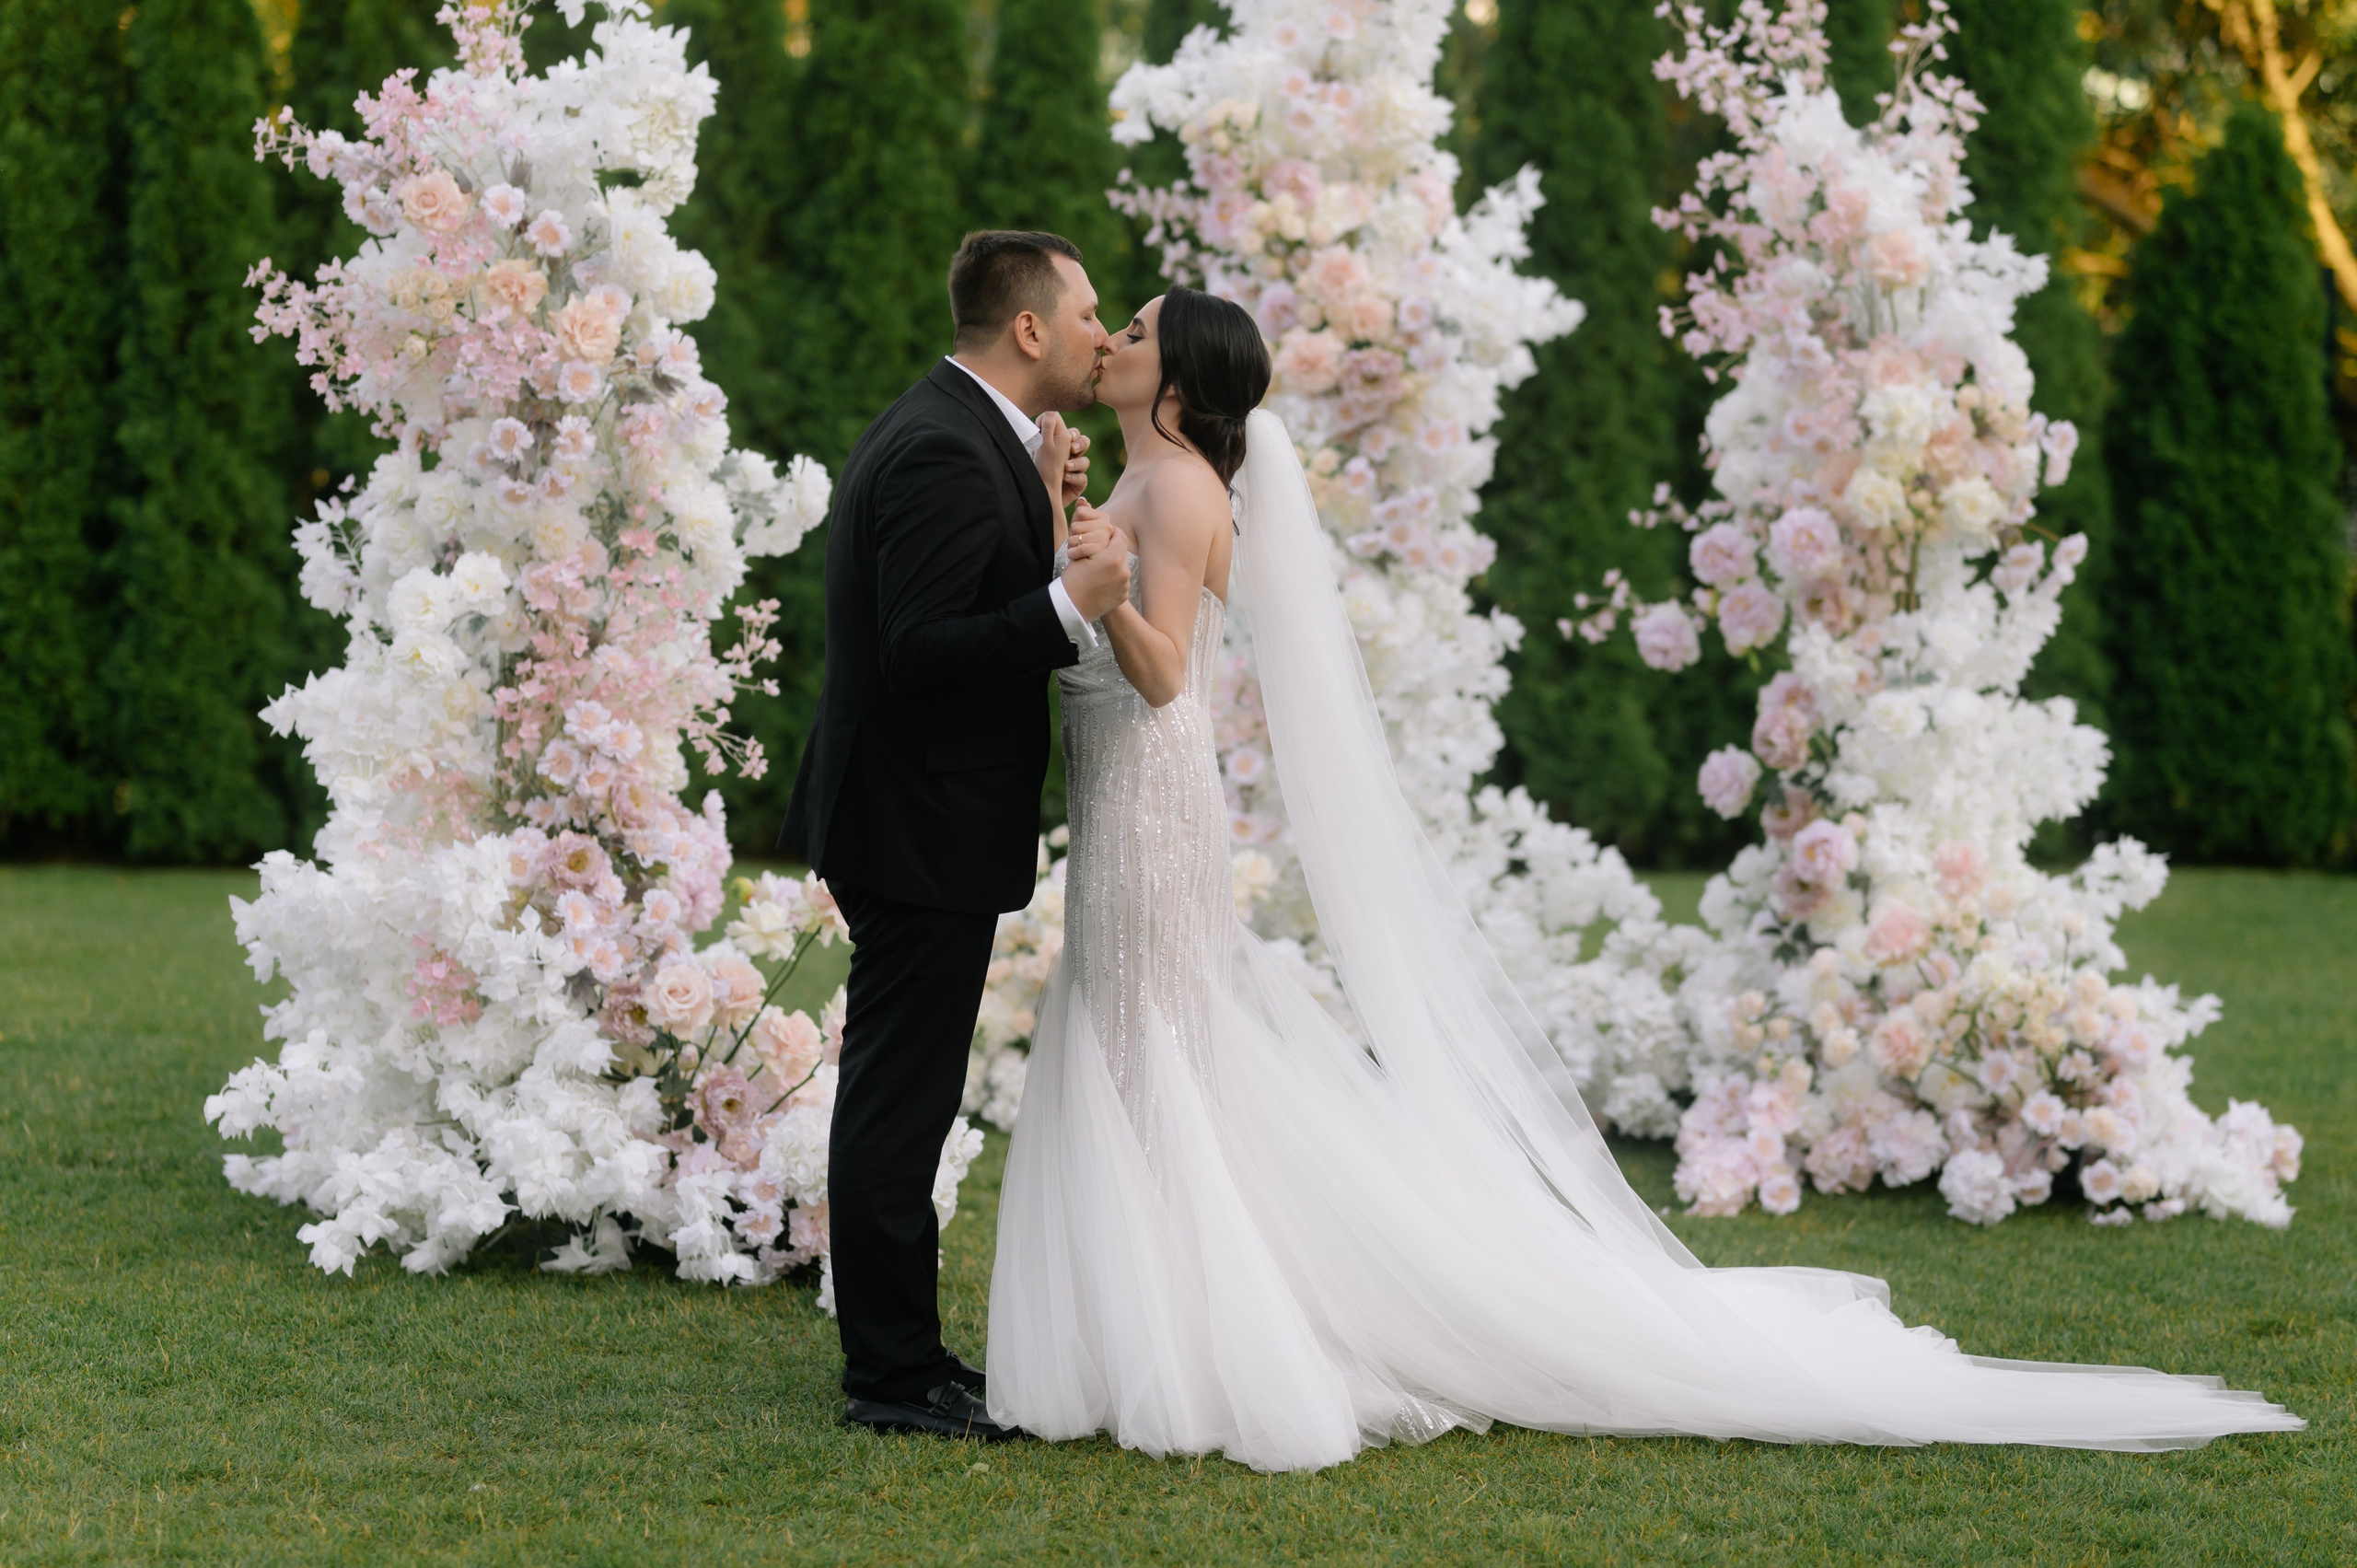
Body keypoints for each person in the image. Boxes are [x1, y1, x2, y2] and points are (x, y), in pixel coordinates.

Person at [982, 285, 2305, 1472]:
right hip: (1126, 797)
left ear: (1177, 378)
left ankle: (1190, 1336)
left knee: (1152, 1047)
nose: (1113, 339)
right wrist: (1063, 513)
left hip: (1153, 801)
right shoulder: (1146, 482)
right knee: (1140, 1044)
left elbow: (1163, 673)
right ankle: (1155, 1318)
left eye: (1136, 330)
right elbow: (1100, 606)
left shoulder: (1180, 492)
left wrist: (1098, 583)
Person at [781, 231, 1127, 1442]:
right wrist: (1067, 605)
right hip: (914, 820)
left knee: (908, 1094)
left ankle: (905, 1358)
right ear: (1029, 328)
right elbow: (920, 653)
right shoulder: (939, 446)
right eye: (1086, 313)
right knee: (899, 1100)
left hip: (918, 813)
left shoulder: (969, 431)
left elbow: (957, 590)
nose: (1101, 333)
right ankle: (893, 1375)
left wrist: (1038, 497)